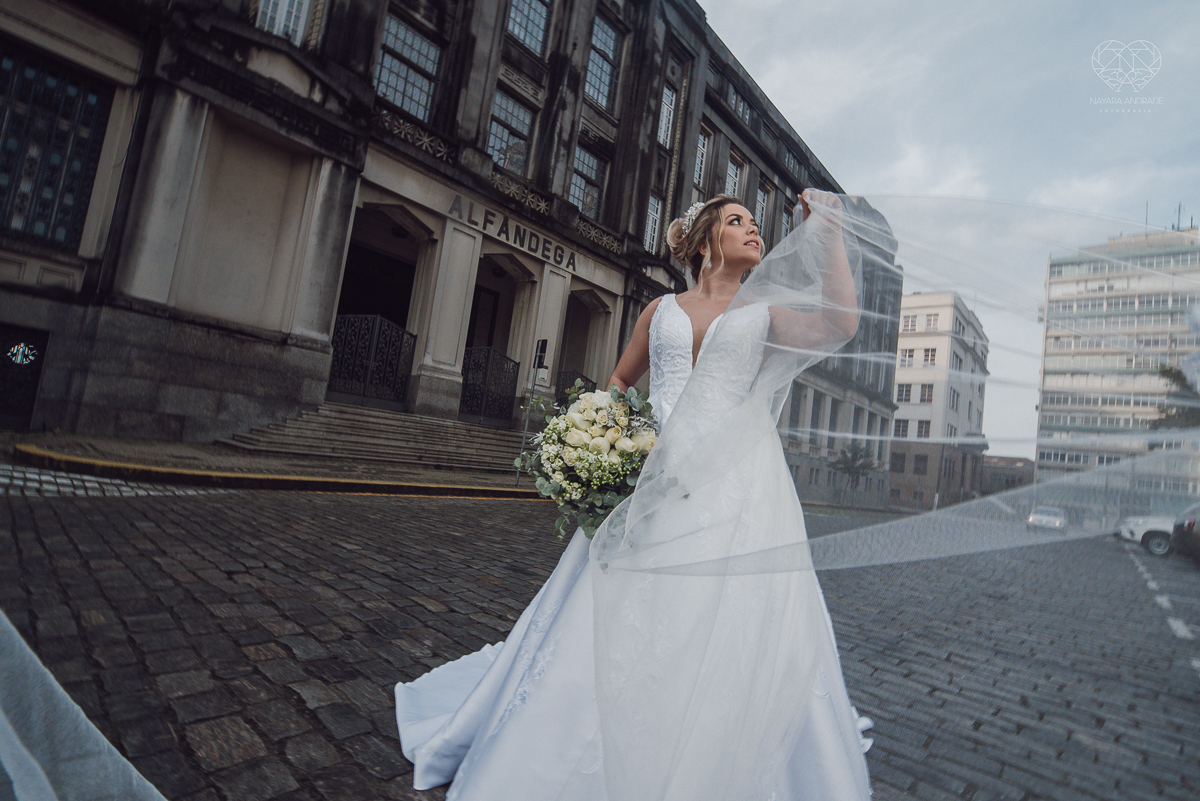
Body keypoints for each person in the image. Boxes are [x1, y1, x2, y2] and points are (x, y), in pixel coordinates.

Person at [395, 190, 873, 801]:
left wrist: (827, 231)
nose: (754, 231)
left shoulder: (767, 313)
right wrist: (602, 441)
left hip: (736, 479)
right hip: (654, 471)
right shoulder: (661, 310)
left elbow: (840, 325)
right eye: (737, 222)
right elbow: (621, 380)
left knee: (731, 606)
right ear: (705, 242)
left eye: (756, 224)